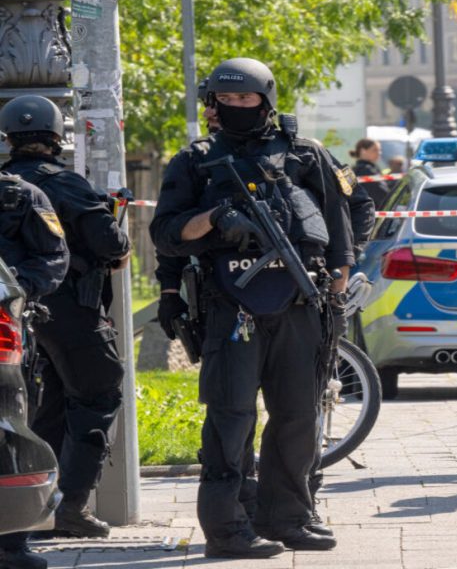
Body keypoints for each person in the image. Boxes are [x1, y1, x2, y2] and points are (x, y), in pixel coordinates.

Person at [150, 57, 354, 558]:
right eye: (226, 99)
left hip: (300, 304)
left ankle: (288, 517)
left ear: (266, 100)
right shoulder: (195, 160)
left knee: (297, 416)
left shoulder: (305, 154)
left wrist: (337, 287)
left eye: (245, 98)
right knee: (231, 418)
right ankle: (227, 530)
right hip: (230, 308)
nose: (236, 106)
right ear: (213, 103)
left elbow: (339, 228)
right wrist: (215, 218)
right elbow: (167, 234)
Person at [0, 95, 132, 541]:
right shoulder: (67, 184)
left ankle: (41, 507)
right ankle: (71, 505)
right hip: (70, 308)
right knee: (98, 394)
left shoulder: (7, 184)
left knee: (48, 405)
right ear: (58, 137)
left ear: (9, 139)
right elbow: (111, 245)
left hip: (18, 313)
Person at [0, 169, 69, 569]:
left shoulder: (19, 195)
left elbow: (54, 258)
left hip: (6, 326)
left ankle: (11, 544)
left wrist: (14, 289)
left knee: (11, 434)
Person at [350, 138, 388, 206]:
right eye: (375, 150)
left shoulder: (357, 169)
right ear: (363, 151)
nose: (379, 153)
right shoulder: (366, 170)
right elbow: (382, 194)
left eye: (380, 150)